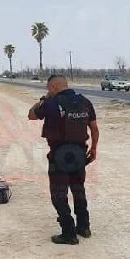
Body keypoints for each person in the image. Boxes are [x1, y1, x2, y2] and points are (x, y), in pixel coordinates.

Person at [28, 74, 98, 244]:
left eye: (48, 88)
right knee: (78, 189)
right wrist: (94, 148)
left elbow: (31, 115)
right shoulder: (85, 102)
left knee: (59, 194)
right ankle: (84, 227)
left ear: (53, 87)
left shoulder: (50, 103)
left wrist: (43, 100)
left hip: (59, 154)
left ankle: (69, 233)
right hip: (80, 153)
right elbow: (94, 129)